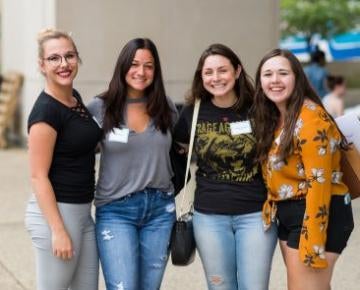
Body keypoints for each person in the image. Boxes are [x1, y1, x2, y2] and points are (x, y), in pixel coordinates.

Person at [173, 44, 277, 290]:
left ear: (237, 71)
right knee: (220, 286)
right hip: (209, 216)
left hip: (255, 215)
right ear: (201, 76)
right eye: (208, 72)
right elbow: (177, 149)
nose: (216, 78)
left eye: (223, 70)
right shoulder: (192, 112)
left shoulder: (259, 109)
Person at [253, 48, 354, 290]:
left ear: (297, 77)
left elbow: (318, 183)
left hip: (317, 213)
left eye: (282, 73)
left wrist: (313, 242)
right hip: (290, 214)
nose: (274, 80)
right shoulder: (276, 117)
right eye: (267, 74)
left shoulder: (310, 119)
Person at [87, 38, 177, 290]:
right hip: (116, 210)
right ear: (123, 66)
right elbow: (76, 151)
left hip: (160, 211)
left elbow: (180, 152)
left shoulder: (166, 107)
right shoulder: (99, 108)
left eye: (149, 66)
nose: (141, 72)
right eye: (135, 64)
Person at [25, 29, 102, 290]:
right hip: (57, 215)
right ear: (41, 65)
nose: (63, 64)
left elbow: (80, 144)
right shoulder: (46, 112)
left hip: (82, 213)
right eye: (54, 58)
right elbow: (38, 176)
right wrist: (58, 231)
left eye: (69, 56)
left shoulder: (74, 98)